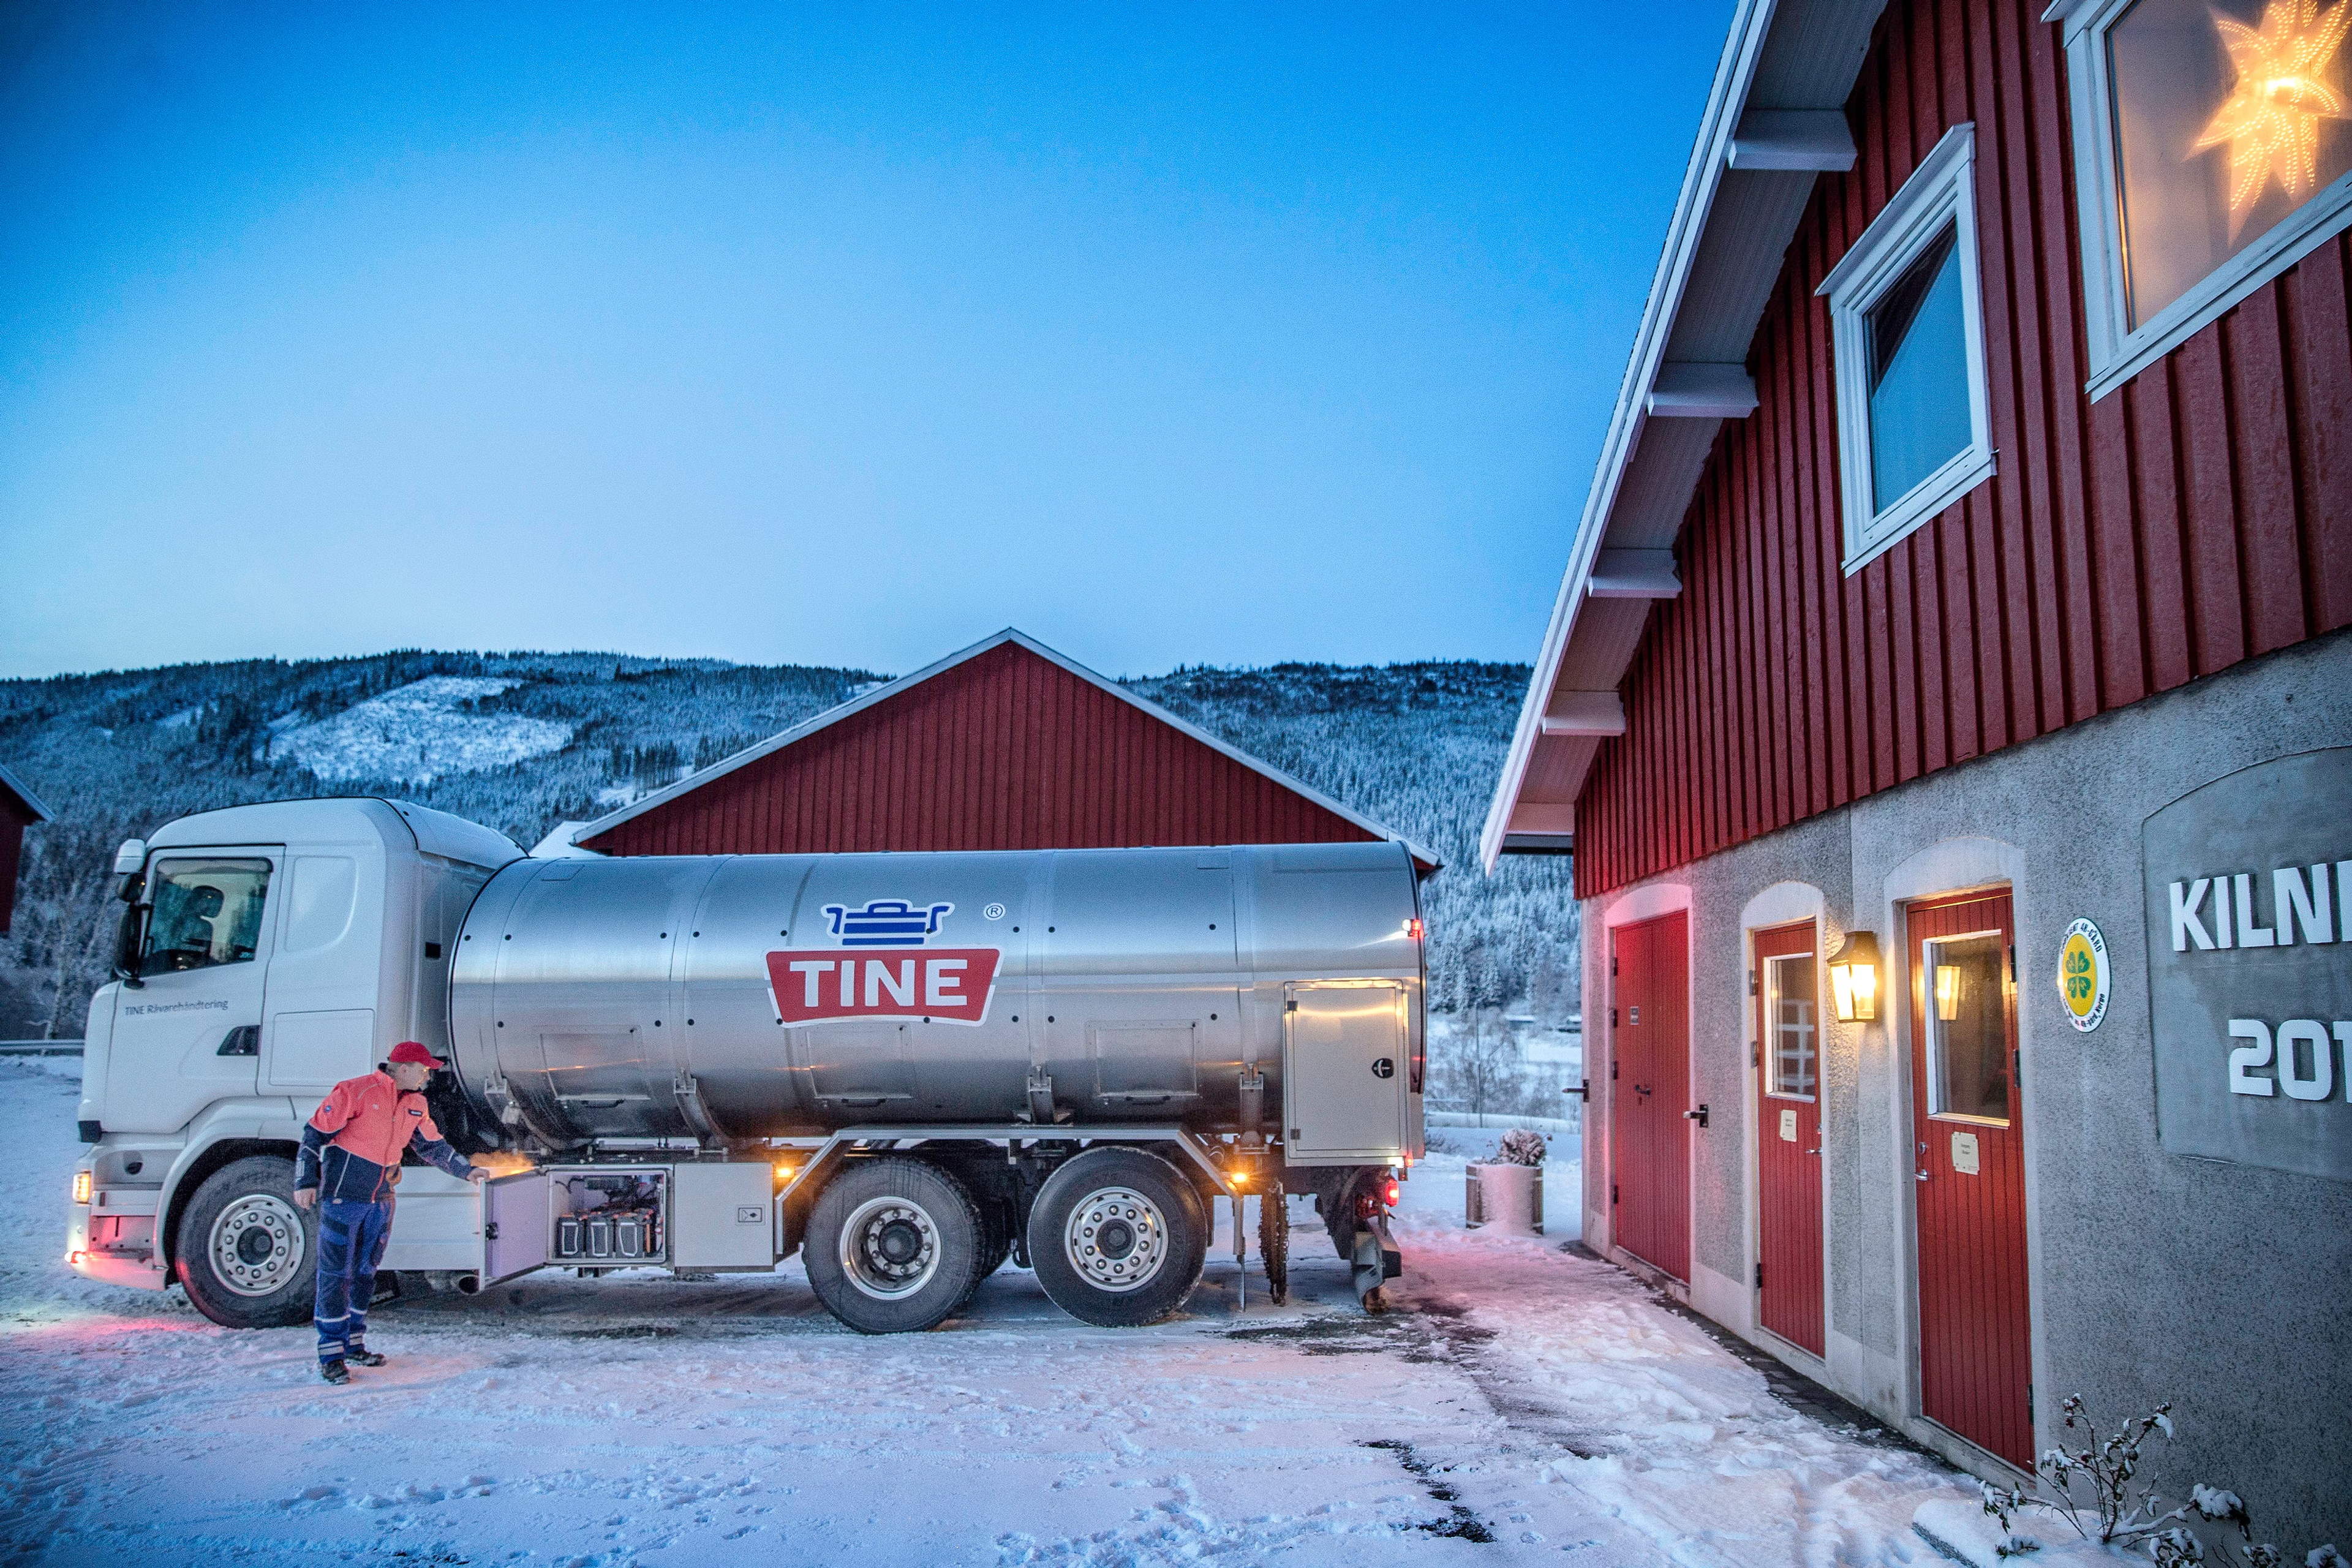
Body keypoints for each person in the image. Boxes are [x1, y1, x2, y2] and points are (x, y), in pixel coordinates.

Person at [293, 1041, 485, 1384]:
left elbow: (432, 1146)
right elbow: (313, 1136)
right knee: (336, 1275)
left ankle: (354, 1344)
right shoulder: (355, 1091)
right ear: (405, 1067)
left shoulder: (417, 1103)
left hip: (382, 1199)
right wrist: (305, 1180)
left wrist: (466, 1170)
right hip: (344, 1199)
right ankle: (331, 1356)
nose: (428, 1076)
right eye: (425, 1069)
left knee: (366, 1273)